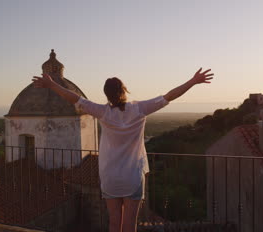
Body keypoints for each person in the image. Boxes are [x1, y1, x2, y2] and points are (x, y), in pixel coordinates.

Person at [32, 68, 213, 232]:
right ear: (124, 90)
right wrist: (193, 81)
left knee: (114, 223)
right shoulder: (139, 109)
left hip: (110, 177)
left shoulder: (103, 112)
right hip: (132, 176)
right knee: (129, 225)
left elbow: (75, 99)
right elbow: (169, 96)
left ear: (107, 95)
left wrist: (51, 84)